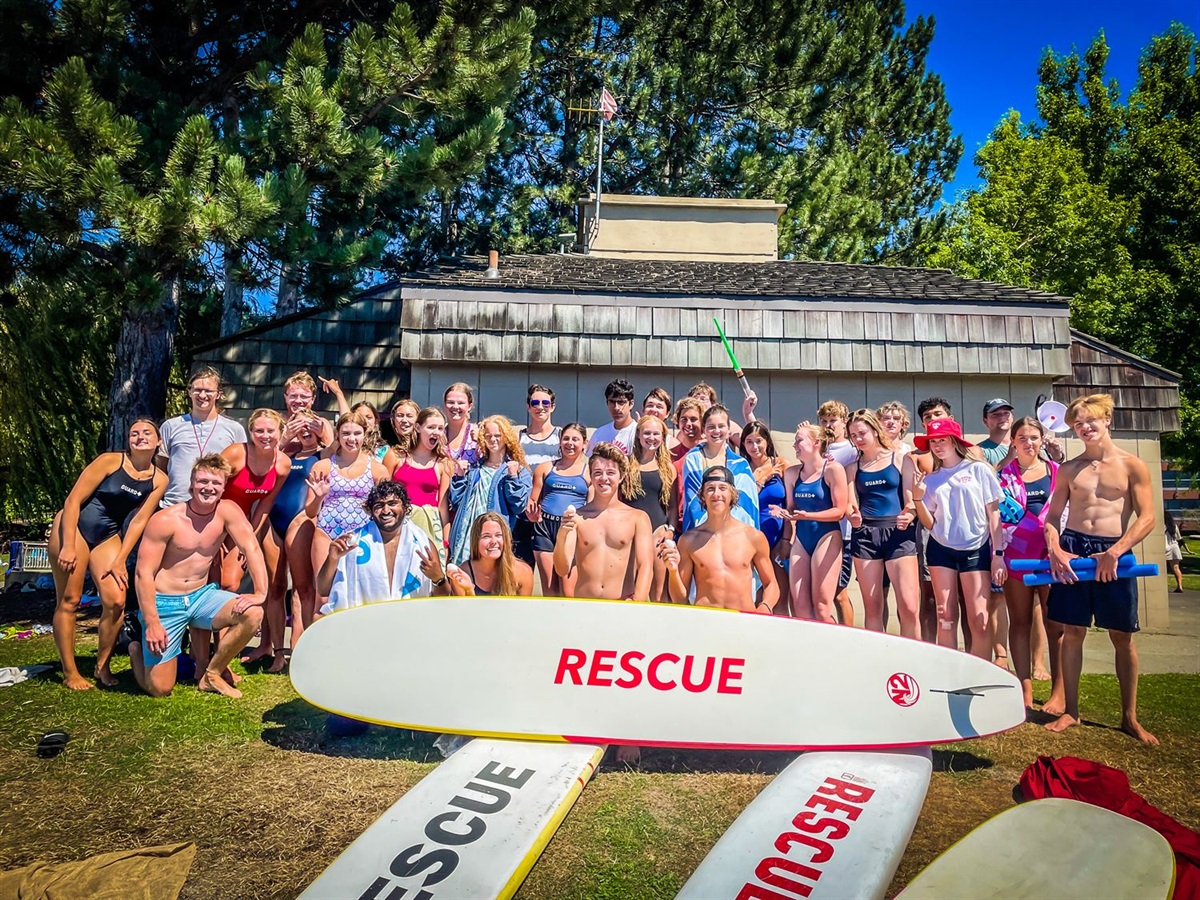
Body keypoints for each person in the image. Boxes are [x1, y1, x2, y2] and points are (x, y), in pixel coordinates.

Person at [1043, 394, 1158, 744]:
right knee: (1072, 631)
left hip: (1114, 552)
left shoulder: (1131, 465)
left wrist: (1117, 551)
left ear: (1107, 419)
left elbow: (1149, 517)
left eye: (1090, 420)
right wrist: (1055, 548)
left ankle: (1129, 717)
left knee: (1122, 636)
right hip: (1074, 551)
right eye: (1078, 423)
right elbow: (1051, 516)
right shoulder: (1069, 469)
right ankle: (1071, 711)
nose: (1085, 427)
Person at [129, 455, 268, 699]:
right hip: (165, 601)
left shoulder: (227, 511)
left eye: (216, 483)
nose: (209, 488)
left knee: (253, 613)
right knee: (160, 689)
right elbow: (143, 574)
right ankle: (136, 651)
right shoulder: (165, 520)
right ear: (191, 483)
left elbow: (251, 548)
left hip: (201, 596)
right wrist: (151, 622)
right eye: (203, 481)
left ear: (224, 487)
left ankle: (211, 674)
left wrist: (260, 592)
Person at [50, 419, 168, 689]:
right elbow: (72, 501)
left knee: (116, 600)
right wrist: (68, 544)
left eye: (146, 433)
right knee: (70, 599)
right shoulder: (109, 461)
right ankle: (70, 672)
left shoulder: (159, 479)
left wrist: (120, 560)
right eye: (134, 433)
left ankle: (102, 667)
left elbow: (138, 521)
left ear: (158, 441)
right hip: (72, 526)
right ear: (128, 440)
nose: (140, 437)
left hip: (107, 535)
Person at [912, 418, 1006, 659]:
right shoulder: (931, 478)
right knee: (945, 615)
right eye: (933, 441)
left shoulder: (978, 469)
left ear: (955, 441)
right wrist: (918, 499)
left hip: (976, 550)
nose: (937, 445)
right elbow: (930, 524)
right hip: (940, 550)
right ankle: (949, 674)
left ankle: (979, 675)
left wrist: (998, 555)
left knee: (979, 619)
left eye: (942, 439)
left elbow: (993, 514)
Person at [220, 409, 293, 673]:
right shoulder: (235, 454)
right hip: (219, 517)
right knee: (226, 583)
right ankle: (215, 652)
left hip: (247, 521)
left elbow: (265, 504)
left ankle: (231, 651)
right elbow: (211, 488)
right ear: (250, 432)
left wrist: (247, 537)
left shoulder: (282, 464)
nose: (265, 436)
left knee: (241, 582)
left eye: (270, 431)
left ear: (280, 432)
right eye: (259, 431)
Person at [998, 416, 1062, 710]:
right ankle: (1023, 686)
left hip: (1054, 557)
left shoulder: (1058, 472)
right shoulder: (1002, 476)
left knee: (1055, 625)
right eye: (1022, 438)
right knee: (1020, 622)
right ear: (1013, 441)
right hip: (1017, 557)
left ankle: (1059, 688)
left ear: (1042, 440)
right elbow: (999, 519)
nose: (1028, 443)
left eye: (1033, 437)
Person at [317, 481, 450, 613]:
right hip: (364, 625)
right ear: (370, 510)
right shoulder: (352, 543)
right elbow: (323, 590)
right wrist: (332, 559)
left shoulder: (423, 544)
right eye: (379, 505)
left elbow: (444, 598)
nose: (386, 511)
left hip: (410, 624)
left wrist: (438, 579)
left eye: (392, 504)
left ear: (405, 507)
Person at [663, 466, 778, 614]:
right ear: (702, 496)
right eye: (710, 489)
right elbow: (679, 600)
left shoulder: (753, 537)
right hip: (706, 621)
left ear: (733, 494)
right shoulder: (689, 541)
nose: (716, 494)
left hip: (743, 620)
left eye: (722, 488)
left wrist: (765, 607)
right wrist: (673, 571)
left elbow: (771, 584)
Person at [845, 409, 920, 637]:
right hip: (866, 535)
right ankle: (878, 663)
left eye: (862, 433)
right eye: (853, 435)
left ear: (875, 431)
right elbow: (850, 505)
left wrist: (911, 514)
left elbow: (912, 500)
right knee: (873, 606)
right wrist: (853, 515)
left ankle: (914, 660)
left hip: (899, 533)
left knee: (909, 606)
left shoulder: (900, 458)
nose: (858, 439)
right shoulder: (852, 468)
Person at [304, 411, 389, 606]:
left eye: (357, 433)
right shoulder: (323, 466)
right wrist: (318, 498)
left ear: (365, 434)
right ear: (338, 435)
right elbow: (310, 512)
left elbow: (385, 511)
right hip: (326, 533)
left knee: (360, 593)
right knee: (323, 597)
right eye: (346, 434)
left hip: (362, 536)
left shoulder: (377, 469)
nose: (352, 439)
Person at [553, 443, 653, 603]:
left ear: (621, 476)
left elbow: (646, 566)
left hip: (622, 604)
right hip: (585, 603)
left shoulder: (637, 518)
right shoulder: (577, 518)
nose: (603, 478)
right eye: (598, 473)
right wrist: (562, 536)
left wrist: (638, 602)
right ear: (591, 477)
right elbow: (562, 568)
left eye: (610, 473)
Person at [773, 424, 848, 623]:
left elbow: (839, 511)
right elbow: (791, 507)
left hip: (827, 536)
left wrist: (808, 516)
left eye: (799, 440)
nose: (794, 444)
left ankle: (833, 647)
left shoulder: (833, 469)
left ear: (816, 443)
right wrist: (783, 514)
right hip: (802, 538)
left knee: (822, 605)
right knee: (800, 606)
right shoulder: (791, 473)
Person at [268, 409, 323, 647]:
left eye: (310, 426)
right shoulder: (284, 454)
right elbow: (264, 459)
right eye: (300, 427)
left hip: (300, 521)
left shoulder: (324, 456)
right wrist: (284, 437)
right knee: (275, 586)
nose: (306, 431)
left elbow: (339, 439)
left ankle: (302, 645)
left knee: (303, 588)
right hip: (274, 520)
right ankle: (275, 649)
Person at [448, 415, 532, 565]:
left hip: (495, 536)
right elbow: (455, 502)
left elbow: (518, 505)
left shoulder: (519, 470)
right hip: (468, 534)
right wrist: (460, 476)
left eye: (498, 435)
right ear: (482, 439)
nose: (493, 439)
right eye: (488, 436)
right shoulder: (474, 469)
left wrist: (513, 478)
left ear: (507, 437)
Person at [157, 366, 246, 508]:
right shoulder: (171, 426)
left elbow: (240, 470)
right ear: (189, 392)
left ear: (218, 394)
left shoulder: (234, 429)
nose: (202, 395)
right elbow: (161, 467)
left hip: (215, 507)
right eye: (197, 390)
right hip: (174, 504)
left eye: (209, 391)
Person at [528, 424, 590, 596]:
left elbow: (592, 508)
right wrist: (532, 514)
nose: (570, 443)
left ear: (585, 443)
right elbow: (532, 502)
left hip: (572, 529)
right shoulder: (545, 468)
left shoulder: (589, 472)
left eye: (575, 439)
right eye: (566, 438)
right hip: (545, 529)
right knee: (550, 589)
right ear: (560, 441)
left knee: (568, 591)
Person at [385, 407, 454, 561]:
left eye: (440, 428)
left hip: (427, 529)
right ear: (418, 427)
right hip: (398, 525)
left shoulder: (444, 463)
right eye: (431, 427)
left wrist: (445, 542)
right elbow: (381, 494)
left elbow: (443, 509)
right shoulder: (396, 456)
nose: (436, 432)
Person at [681, 404, 758, 532]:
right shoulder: (693, 460)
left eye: (721, 426)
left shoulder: (741, 465)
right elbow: (693, 500)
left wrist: (727, 529)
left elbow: (745, 504)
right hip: (703, 533)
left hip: (735, 534)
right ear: (704, 431)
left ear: (729, 431)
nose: (716, 431)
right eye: (711, 427)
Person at [623, 415, 676, 602]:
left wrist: (670, 530)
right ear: (638, 435)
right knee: (631, 589)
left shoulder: (668, 468)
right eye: (647, 433)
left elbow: (672, 506)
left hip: (658, 532)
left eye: (656, 434)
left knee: (658, 592)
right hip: (630, 533)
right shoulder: (626, 464)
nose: (651, 438)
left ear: (663, 437)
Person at [740, 421, 789, 612]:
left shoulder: (781, 464)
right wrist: (761, 479)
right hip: (749, 540)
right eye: (749, 442)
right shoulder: (741, 468)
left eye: (758, 441)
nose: (755, 447)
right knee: (754, 596)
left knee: (780, 596)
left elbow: (789, 506)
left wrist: (786, 539)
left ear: (767, 441)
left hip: (776, 539)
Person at [817, 400, 858, 627]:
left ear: (844, 422)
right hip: (818, 529)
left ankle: (849, 635)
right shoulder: (817, 447)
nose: (828, 425)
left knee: (839, 592)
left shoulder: (851, 450)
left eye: (833, 420)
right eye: (824, 421)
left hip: (844, 531)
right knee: (822, 592)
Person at [516, 384, 561, 566]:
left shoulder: (562, 437)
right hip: (523, 516)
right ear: (528, 407)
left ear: (553, 406)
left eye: (545, 403)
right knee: (522, 569)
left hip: (552, 517)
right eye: (535, 402)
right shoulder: (519, 437)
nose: (540, 407)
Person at [448, 512, 535, 597]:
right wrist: (469, 590)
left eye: (498, 535)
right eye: (486, 536)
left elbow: (523, 610)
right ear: (476, 541)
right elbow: (465, 611)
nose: (493, 541)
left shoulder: (523, 572)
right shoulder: (463, 573)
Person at [279, 371, 334, 453]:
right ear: (286, 398)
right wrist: (285, 438)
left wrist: (323, 435)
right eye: (293, 396)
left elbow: (334, 457)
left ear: (313, 399)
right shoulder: (277, 422)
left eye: (303, 396)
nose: (298, 401)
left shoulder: (321, 423)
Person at [587, 378, 637, 455]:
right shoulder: (599, 434)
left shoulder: (638, 433)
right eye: (612, 402)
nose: (616, 408)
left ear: (631, 404)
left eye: (621, 402)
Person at [443, 382, 480, 466]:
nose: (455, 407)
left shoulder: (478, 434)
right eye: (450, 402)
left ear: (469, 406)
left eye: (460, 403)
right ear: (445, 405)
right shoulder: (437, 435)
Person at [1164, 510, 1184, 593]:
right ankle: (1180, 586)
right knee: (1176, 568)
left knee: (1162, 568)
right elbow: (1179, 539)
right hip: (1174, 548)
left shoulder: (1162, 527)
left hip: (1165, 548)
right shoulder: (1174, 526)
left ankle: (1165, 585)